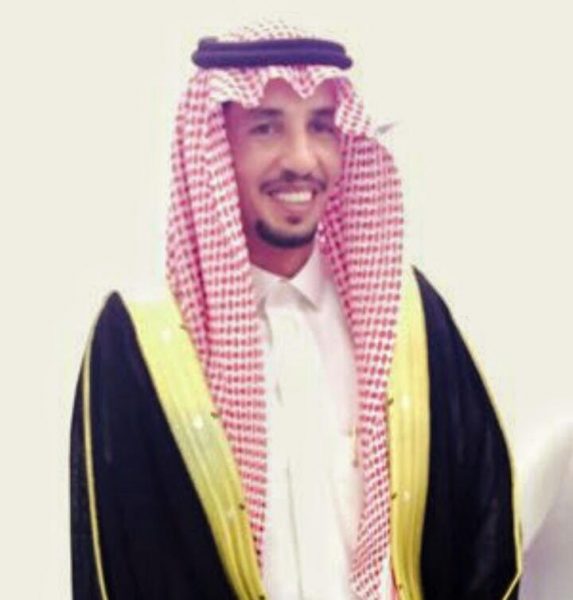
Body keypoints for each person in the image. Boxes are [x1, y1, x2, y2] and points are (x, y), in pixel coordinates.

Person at [70, 21, 521, 600]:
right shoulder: (141, 343)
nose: (302, 159)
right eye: (266, 127)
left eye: (322, 126)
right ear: (215, 146)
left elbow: (486, 531)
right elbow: (117, 569)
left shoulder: (408, 317)